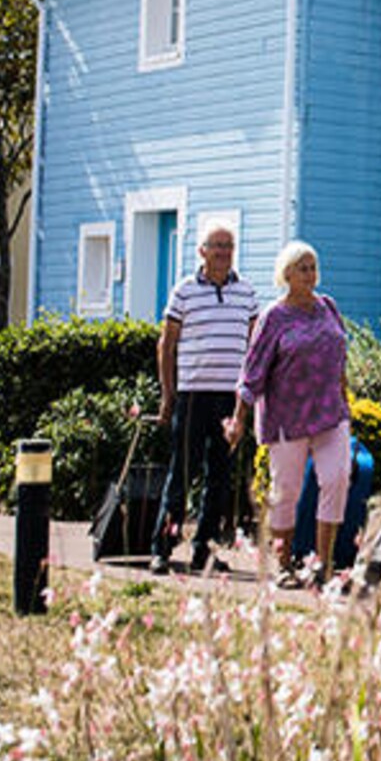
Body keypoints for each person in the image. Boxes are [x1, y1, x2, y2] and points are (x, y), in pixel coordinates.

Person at [226, 240, 351, 588]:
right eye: (302, 268)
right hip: (287, 416)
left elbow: (340, 356)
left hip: (330, 411)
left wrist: (345, 397)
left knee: (337, 477)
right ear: (287, 274)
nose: (310, 274)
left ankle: (323, 565)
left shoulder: (328, 307)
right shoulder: (274, 317)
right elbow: (253, 370)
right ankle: (283, 565)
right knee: (287, 489)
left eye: (313, 267)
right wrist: (239, 417)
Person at [149, 221, 258, 576]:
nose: (224, 252)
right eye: (217, 246)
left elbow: (255, 348)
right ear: (202, 251)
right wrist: (168, 395)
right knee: (181, 474)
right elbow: (166, 345)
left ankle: (204, 550)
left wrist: (248, 401)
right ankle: (162, 548)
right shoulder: (184, 291)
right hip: (193, 396)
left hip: (230, 399)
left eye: (229, 246)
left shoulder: (247, 293)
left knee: (220, 478)